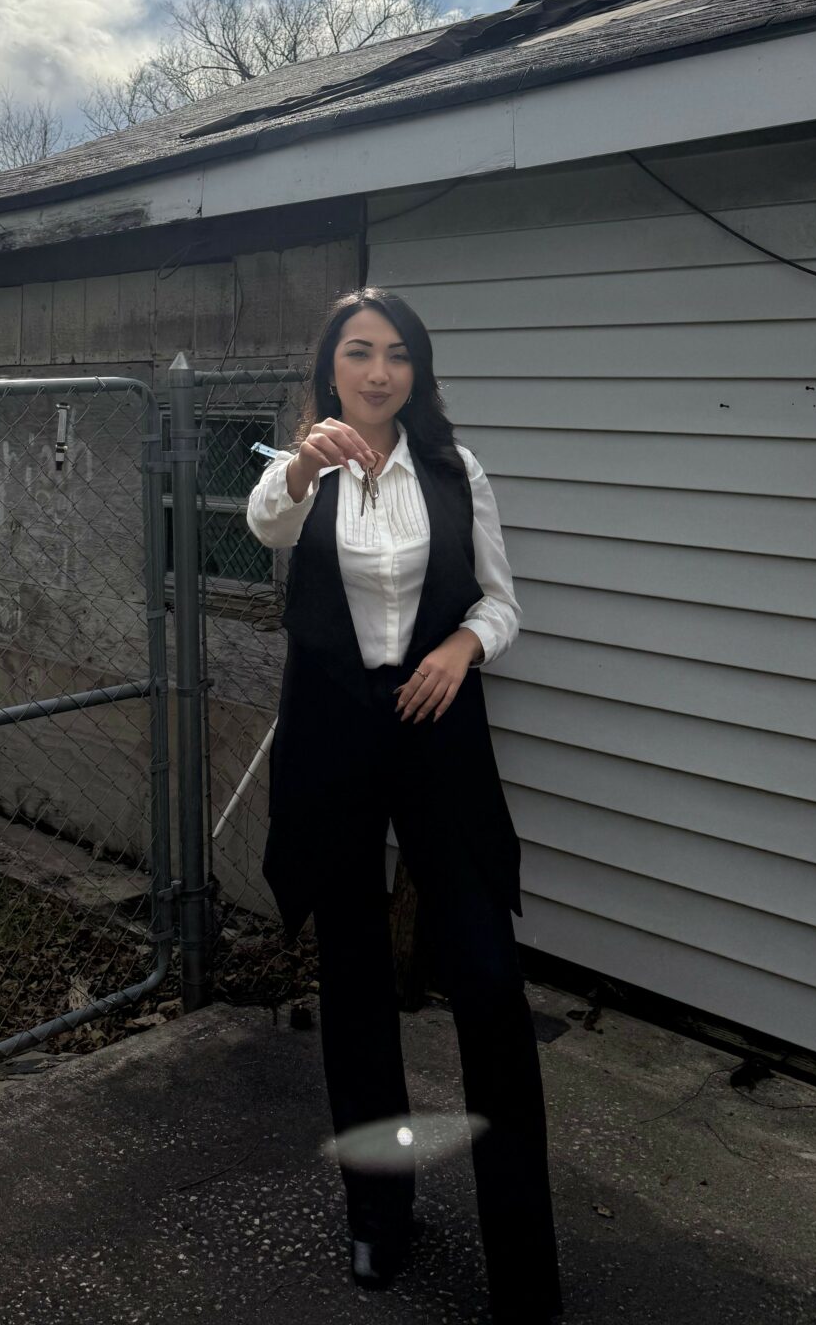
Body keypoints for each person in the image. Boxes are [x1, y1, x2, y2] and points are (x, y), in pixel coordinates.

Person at [246, 287, 563, 1323]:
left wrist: (462, 646)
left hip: (437, 728)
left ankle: (524, 1254)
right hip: (338, 739)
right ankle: (379, 1217)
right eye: (358, 352)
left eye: (397, 355)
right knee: (354, 986)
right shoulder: (299, 470)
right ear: (330, 365)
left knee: (485, 976)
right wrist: (301, 461)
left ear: (417, 372)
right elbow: (268, 524)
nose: (378, 372)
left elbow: (503, 598)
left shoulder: (456, 470)